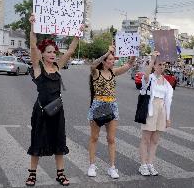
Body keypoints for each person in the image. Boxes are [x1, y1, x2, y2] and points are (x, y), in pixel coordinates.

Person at [25, 13, 83, 186]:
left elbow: (71, 50)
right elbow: (33, 46)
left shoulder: (57, 67)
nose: (52, 54)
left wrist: (77, 34)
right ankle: (32, 174)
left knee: (59, 141)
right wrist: (33, 27)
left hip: (57, 110)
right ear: (42, 55)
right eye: (49, 52)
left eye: (54, 52)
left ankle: (60, 174)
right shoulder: (37, 68)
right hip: (41, 111)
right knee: (37, 141)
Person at [87, 46, 135, 179]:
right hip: (98, 105)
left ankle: (112, 167)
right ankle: (92, 165)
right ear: (104, 61)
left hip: (112, 106)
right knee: (94, 137)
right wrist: (107, 52)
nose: (112, 61)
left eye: (113, 59)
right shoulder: (96, 72)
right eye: (110, 59)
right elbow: (93, 65)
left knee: (111, 139)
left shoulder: (114, 72)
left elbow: (129, 65)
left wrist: (133, 55)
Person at [138, 52, 173, 176]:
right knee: (146, 138)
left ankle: (150, 163)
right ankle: (142, 165)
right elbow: (145, 76)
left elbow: (168, 100)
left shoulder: (166, 82)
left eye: (163, 65)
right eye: (159, 64)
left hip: (161, 110)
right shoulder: (150, 78)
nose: (162, 67)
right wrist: (152, 59)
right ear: (154, 66)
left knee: (155, 140)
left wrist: (168, 117)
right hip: (151, 108)